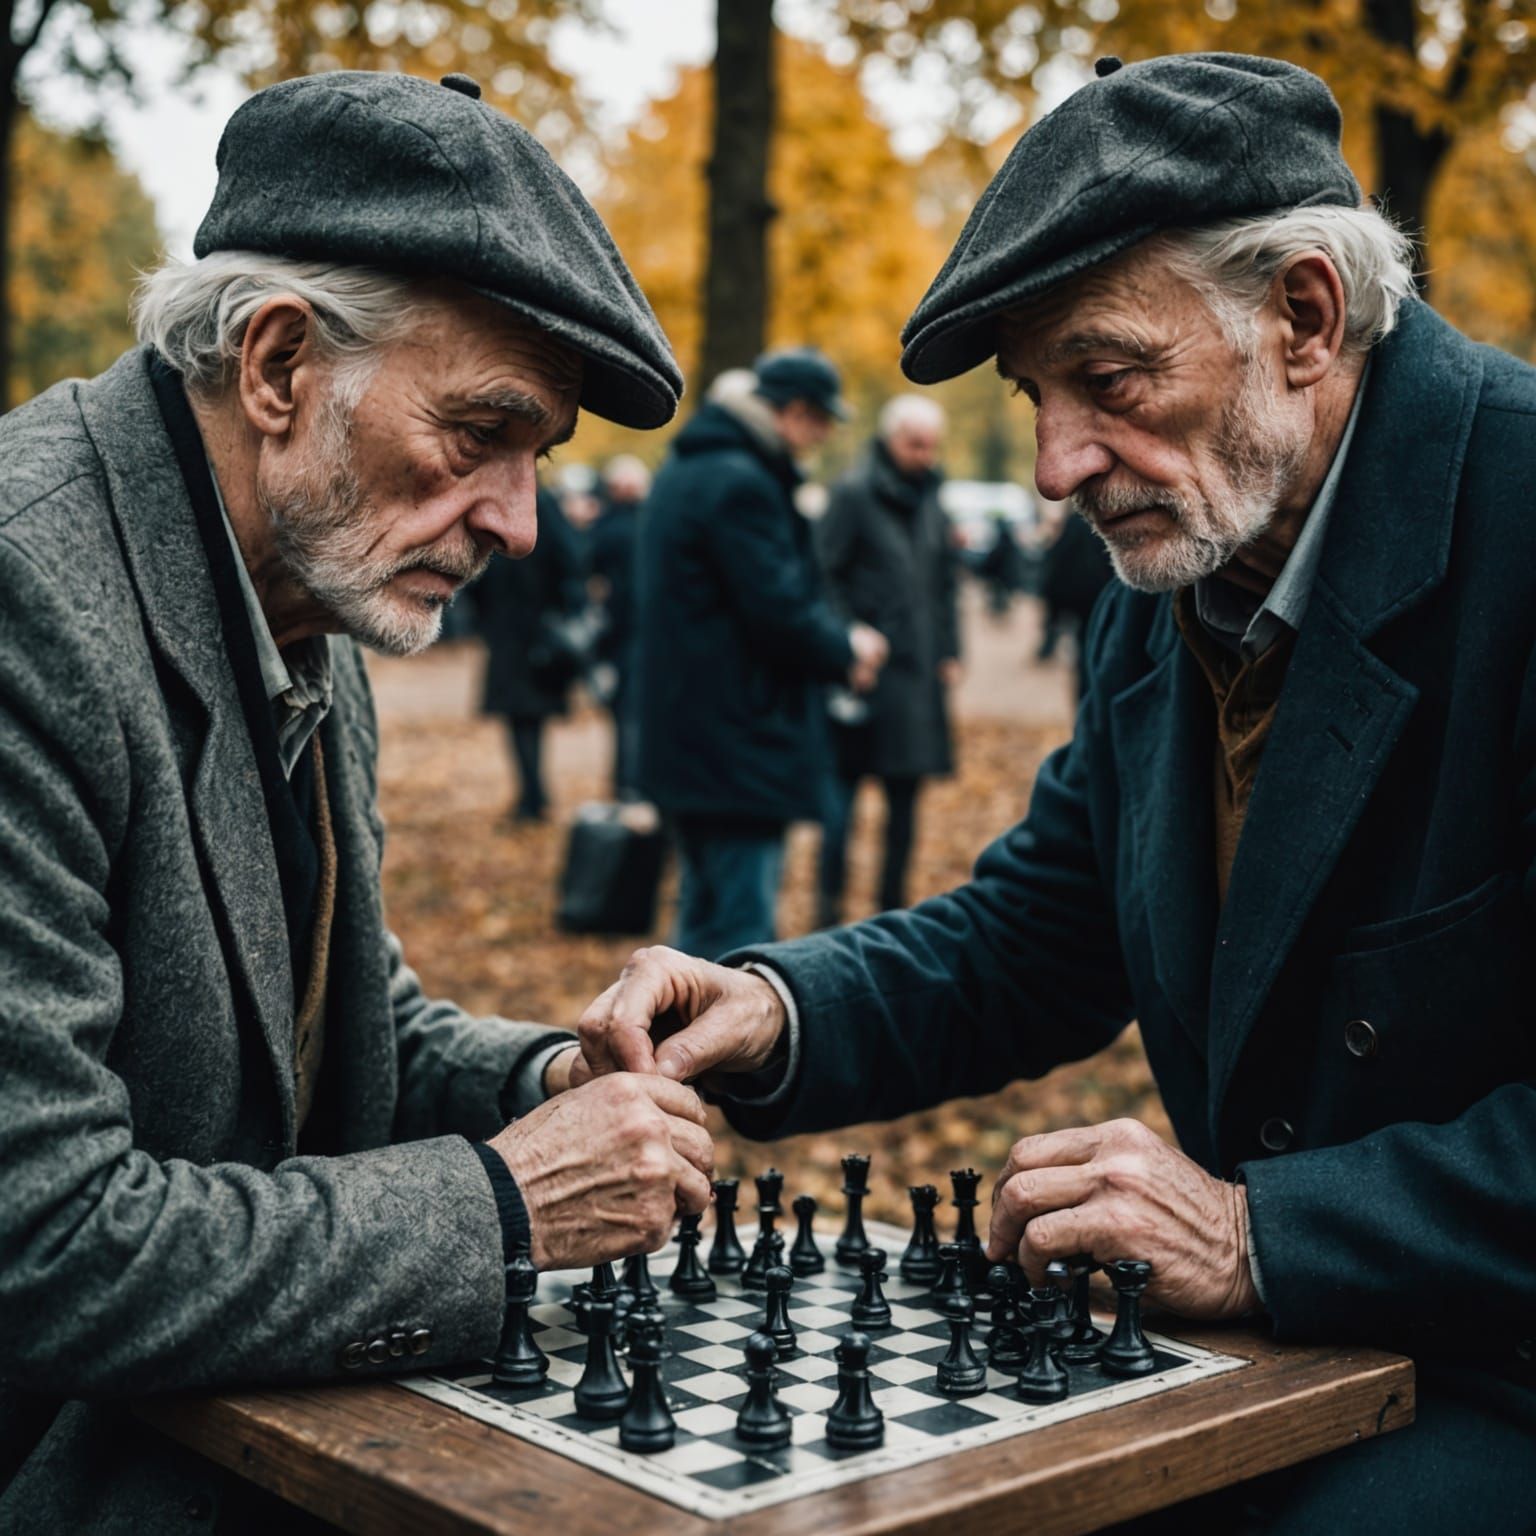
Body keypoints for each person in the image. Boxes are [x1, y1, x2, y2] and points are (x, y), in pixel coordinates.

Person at [575, 53, 1536, 1528]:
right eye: (1038, 398)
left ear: (1302, 316)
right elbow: (1045, 930)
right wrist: (781, 1009)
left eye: (1109, 377)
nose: (1053, 466)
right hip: (1288, 1359)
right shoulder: (1171, 587)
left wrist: (1260, 1232)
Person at [0, 72, 713, 1532]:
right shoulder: (25, 599)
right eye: (479, 434)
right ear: (276, 366)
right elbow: (42, 1243)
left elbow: (333, 1024)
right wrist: (507, 1210)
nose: (519, 519)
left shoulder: (310, 577)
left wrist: (545, 1089)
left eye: (541, 459)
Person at [633, 349, 888, 959]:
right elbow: (778, 609)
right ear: (793, 412)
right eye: (821, 419)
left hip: (690, 732)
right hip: (739, 737)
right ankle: (713, 1054)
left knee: (701, 911)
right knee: (735, 929)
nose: (823, 434)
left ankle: (665, 1047)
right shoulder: (743, 483)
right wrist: (845, 647)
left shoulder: (687, 470)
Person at [814, 393, 960, 926]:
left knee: (905, 808)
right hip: (862, 678)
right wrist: (847, 636)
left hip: (917, 679)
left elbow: (943, 583)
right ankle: (828, 906)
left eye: (931, 445)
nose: (924, 454)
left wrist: (950, 649)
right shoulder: (852, 493)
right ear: (891, 438)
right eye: (915, 444)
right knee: (840, 806)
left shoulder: (932, 498)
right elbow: (822, 574)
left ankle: (888, 913)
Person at [475, 484, 587, 822]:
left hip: (528, 636)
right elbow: (571, 566)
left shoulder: (510, 505)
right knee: (525, 719)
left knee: (523, 719)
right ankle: (532, 793)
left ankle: (532, 796)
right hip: (525, 634)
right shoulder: (543, 507)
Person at [588, 454, 650, 797]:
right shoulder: (652, 524)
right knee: (635, 718)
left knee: (624, 718)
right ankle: (632, 785)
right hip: (642, 635)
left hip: (618, 635)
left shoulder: (605, 529)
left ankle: (625, 785)